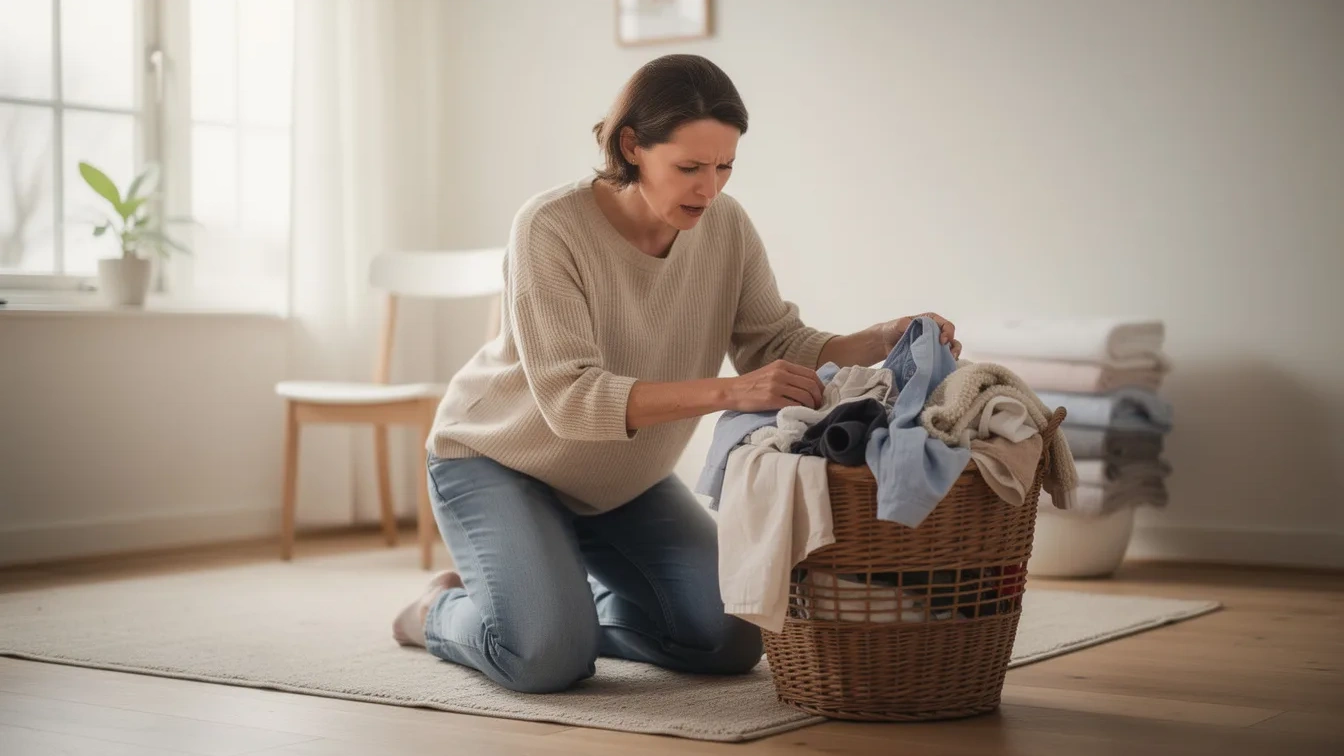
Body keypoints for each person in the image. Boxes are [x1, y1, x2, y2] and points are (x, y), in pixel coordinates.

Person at [392, 54, 959, 693]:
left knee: (730, 635)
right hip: (499, 462)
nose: (709, 189)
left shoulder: (727, 226)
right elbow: (569, 399)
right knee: (545, 660)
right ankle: (437, 609)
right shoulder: (549, 227)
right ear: (631, 146)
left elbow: (775, 343)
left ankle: (563, 606)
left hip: (619, 482)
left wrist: (875, 340)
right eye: (689, 168)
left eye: (724, 167)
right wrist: (731, 392)